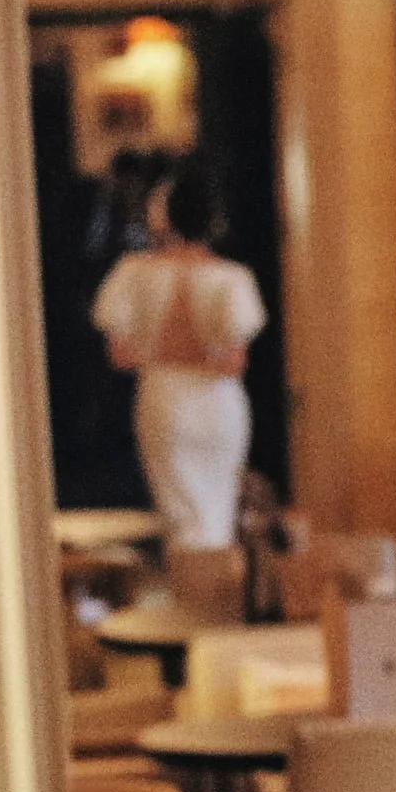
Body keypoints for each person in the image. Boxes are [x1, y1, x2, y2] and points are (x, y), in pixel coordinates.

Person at [91, 154, 267, 549]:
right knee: (219, 515)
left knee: (180, 519)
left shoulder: (134, 274)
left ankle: (193, 592)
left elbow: (120, 356)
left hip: (165, 401)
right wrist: (201, 356)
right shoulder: (232, 279)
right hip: (220, 409)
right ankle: (216, 589)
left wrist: (162, 356)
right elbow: (234, 362)